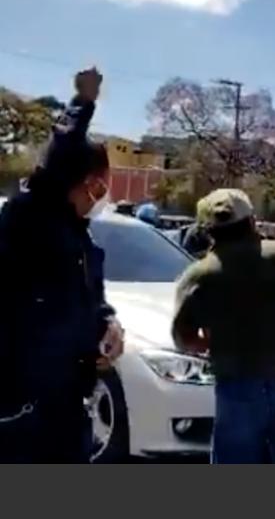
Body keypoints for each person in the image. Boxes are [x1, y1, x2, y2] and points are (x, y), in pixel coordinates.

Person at [0, 67, 124, 463]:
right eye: (103, 183)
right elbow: (59, 155)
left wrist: (108, 326)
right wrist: (83, 102)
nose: (105, 193)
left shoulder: (81, 237)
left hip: (69, 402)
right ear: (86, 180)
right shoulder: (30, 219)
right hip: (21, 409)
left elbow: (90, 301)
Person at [172, 189, 275, 464]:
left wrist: (216, 342)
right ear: (252, 221)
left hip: (237, 389)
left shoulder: (199, 274)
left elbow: (183, 338)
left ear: (208, 230)